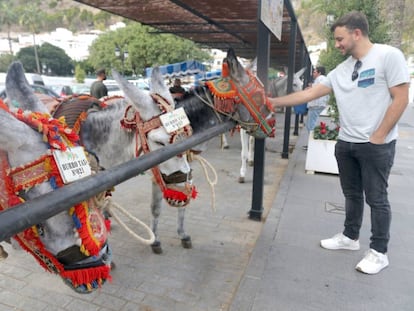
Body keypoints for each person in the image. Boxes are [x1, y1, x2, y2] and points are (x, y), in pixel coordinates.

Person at [268, 11, 410, 274]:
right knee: (351, 194)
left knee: (377, 199)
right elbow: (309, 92)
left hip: (375, 145)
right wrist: (273, 102)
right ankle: (350, 237)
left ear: (357, 33)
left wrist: (378, 136)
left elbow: (401, 98)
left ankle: (379, 252)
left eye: (339, 39)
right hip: (346, 143)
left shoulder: (388, 56)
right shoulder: (342, 70)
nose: (337, 45)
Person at [303, 66, 330, 150]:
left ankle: (312, 144)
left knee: (311, 125)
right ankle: (312, 143)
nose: (313, 74)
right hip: (318, 105)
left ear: (319, 73)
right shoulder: (322, 79)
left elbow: (318, 89)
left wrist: (310, 88)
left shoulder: (320, 78)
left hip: (316, 105)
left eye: (314, 72)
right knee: (311, 124)